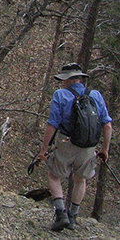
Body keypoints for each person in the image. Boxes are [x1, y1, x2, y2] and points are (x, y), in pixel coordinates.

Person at [39, 63, 113, 231]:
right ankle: (73, 216)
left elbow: (53, 124)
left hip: (66, 142)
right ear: (80, 78)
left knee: (54, 175)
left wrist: (44, 148)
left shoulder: (60, 95)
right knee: (81, 179)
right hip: (89, 145)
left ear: (67, 80)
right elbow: (107, 125)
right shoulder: (95, 95)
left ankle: (61, 214)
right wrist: (104, 150)